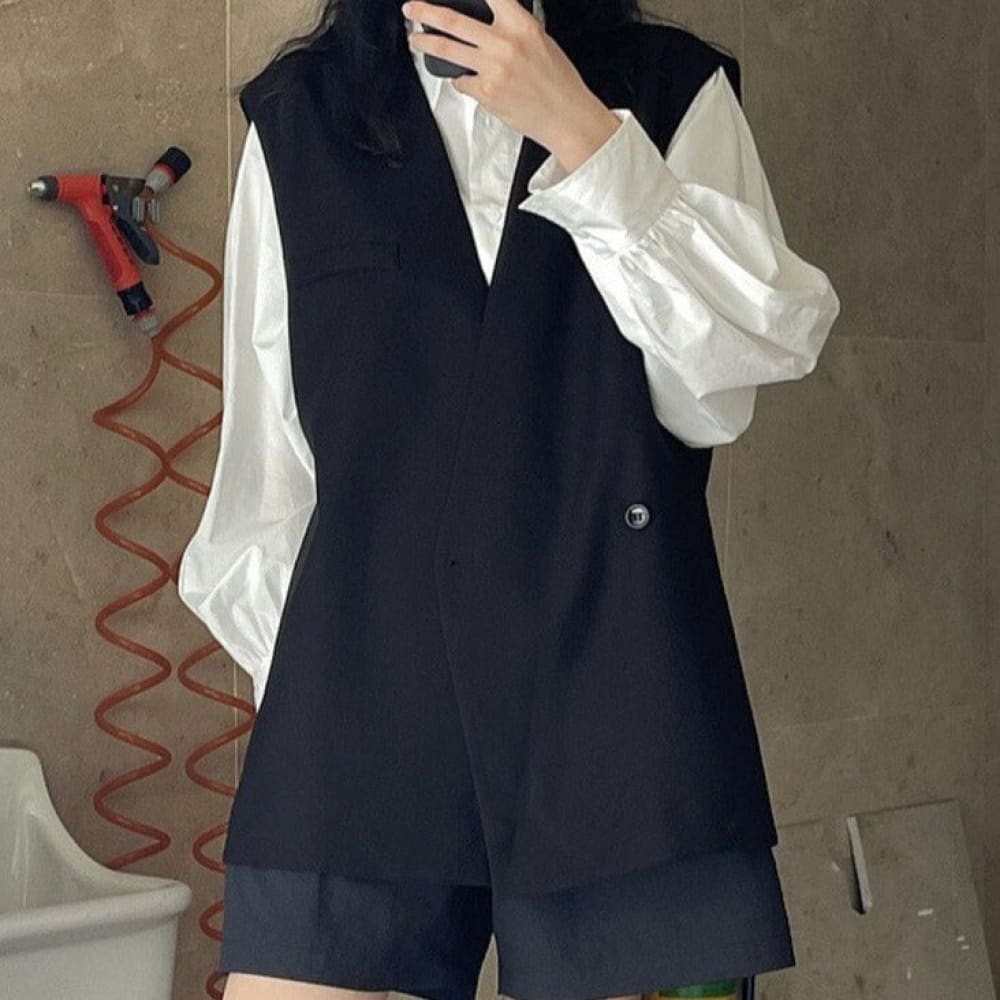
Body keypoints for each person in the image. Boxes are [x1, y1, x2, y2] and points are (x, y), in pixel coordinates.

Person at [177, 0, 842, 998]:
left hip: (621, 701)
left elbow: (738, 369)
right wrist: (341, 692)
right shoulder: (302, 118)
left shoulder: (672, 90)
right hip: (360, 710)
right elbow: (268, 478)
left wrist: (585, 134)